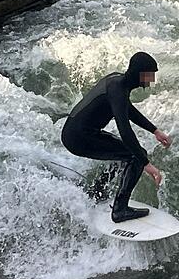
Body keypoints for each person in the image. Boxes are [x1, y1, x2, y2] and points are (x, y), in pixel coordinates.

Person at [61, 52, 171, 223]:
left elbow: (127, 109)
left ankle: (97, 192)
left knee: (124, 153)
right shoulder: (117, 89)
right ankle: (120, 210)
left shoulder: (118, 81)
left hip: (77, 132)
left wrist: (155, 130)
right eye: (150, 75)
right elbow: (125, 131)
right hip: (78, 138)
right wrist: (146, 164)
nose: (152, 80)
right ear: (139, 74)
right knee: (135, 155)